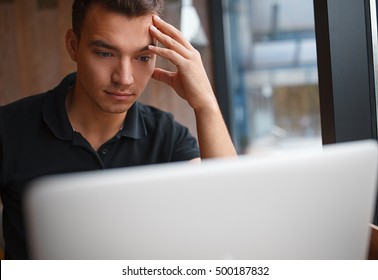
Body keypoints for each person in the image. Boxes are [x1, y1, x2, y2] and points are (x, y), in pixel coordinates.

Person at [0, 0, 236, 259]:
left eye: (142, 57)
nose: (124, 78)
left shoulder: (166, 136)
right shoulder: (8, 128)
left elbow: (229, 217)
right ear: (73, 46)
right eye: (105, 53)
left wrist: (206, 106)